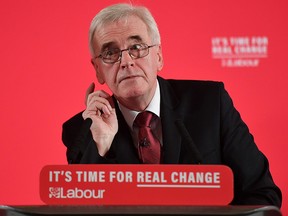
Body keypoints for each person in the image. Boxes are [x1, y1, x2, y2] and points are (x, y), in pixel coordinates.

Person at [62, 3, 282, 207]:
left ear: (158, 56)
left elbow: (262, 194)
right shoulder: (80, 131)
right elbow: (82, 209)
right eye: (110, 53)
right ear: (98, 70)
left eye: (137, 46)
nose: (126, 61)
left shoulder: (210, 104)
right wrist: (103, 144)